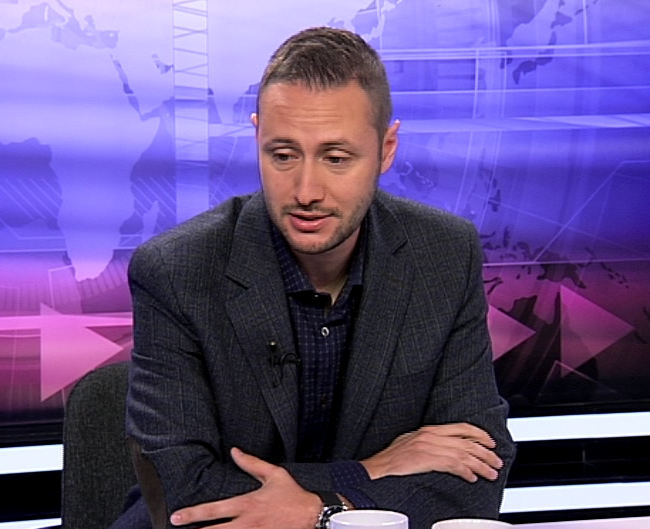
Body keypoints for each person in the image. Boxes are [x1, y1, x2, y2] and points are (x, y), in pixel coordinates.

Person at [113, 26, 515, 529]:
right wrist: (367, 473)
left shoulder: (443, 255)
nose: (306, 191)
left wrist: (320, 508)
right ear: (257, 137)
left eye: (336, 158)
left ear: (387, 148)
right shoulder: (176, 271)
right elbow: (187, 494)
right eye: (283, 155)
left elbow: (477, 472)